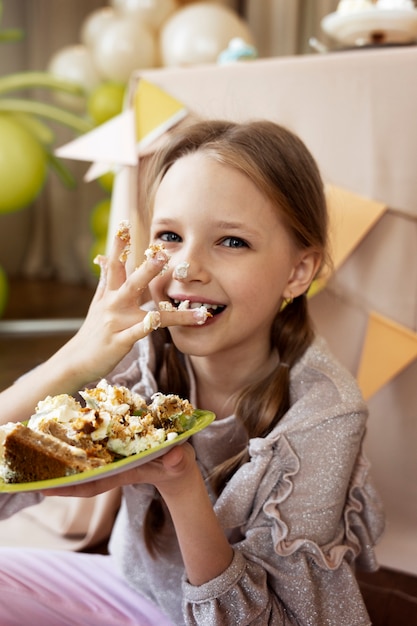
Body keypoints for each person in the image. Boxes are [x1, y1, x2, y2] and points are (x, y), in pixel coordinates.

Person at [0, 119, 384, 626]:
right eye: (170, 236)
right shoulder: (139, 350)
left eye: (231, 242)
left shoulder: (324, 415)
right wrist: (75, 358)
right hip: (129, 595)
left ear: (298, 271)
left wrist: (180, 482)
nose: (186, 268)